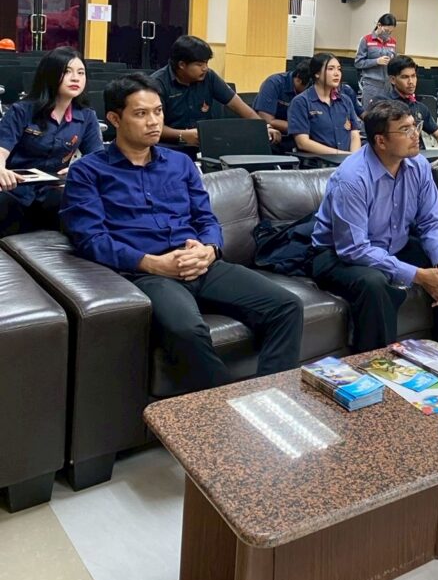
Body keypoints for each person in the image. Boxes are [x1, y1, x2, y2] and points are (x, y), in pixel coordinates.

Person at [60, 73, 303, 391]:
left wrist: (210, 249)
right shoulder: (88, 171)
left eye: (158, 111)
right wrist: (152, 263)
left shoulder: (181, 164)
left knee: (287, 306)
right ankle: (224, 406)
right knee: (186, 330)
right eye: (141, 113)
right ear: (115, 119)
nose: (154, 122)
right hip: (148, 273)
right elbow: (91, 239)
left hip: (201, 263)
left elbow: (206, 219)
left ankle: (272, 396)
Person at [311, 100, 438, 360]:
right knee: (374, 284)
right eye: (405, 130)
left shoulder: (419, 166)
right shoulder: (352, 178)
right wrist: (419, 275)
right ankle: (377, 368)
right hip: (338, 254)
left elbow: (431, 222)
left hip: (393, 244)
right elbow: (354, 249)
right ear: (381, 141)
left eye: (415, 126)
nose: (415, 135)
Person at [0, 47, 102, 237]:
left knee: (79, 201)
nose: (76, 78)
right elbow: (1, 149)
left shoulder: (87, 116)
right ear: (50, 75)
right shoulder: (22, 110)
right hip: (14, 190)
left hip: (52, 190)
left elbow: (97, 158)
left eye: (81, 73)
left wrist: (79, 170)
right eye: (67, 72)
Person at [151, 35, 279, 150]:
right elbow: (153, 126)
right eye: (199, 64)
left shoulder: (209, 77)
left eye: (206, 63)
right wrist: (182, 135)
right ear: (182, 65)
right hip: (168, 147)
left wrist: (264, 127)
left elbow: (239, 106)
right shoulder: (157, 83)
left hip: (205, 143)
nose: (205, 68)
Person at [288, 53, 363, 156]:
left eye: (339, 69)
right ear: (317, 73)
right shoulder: (301, 102)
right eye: (331, 69)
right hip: (318, 162)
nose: (337, 73)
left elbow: (354, 133)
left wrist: (353, 157)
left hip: (346, 160)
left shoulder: (345, 100)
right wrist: (341, 155)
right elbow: (302, 142)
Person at [387, 55, 438, 150]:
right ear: (393, 80)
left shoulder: (420, 107)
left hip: (418, 155)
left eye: (413, 76)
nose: (411, 82)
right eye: (405, 77)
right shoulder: (383, 104)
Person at [253, 61, 311, 148]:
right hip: (273, 136)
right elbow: (266, 120)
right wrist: (301, 128)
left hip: (299, 136)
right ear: (298, 79)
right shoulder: (274, 83)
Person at [354, 13, 397, 109]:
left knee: (386, 114)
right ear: (379, 25)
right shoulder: (366, 40)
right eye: (386, 31)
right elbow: (358, 63)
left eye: (390, 32)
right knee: (369, 113)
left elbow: (395, 62)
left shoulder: (393, 42)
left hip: (388, 85)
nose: (388, 34)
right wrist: (376, 61)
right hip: (371, 85)